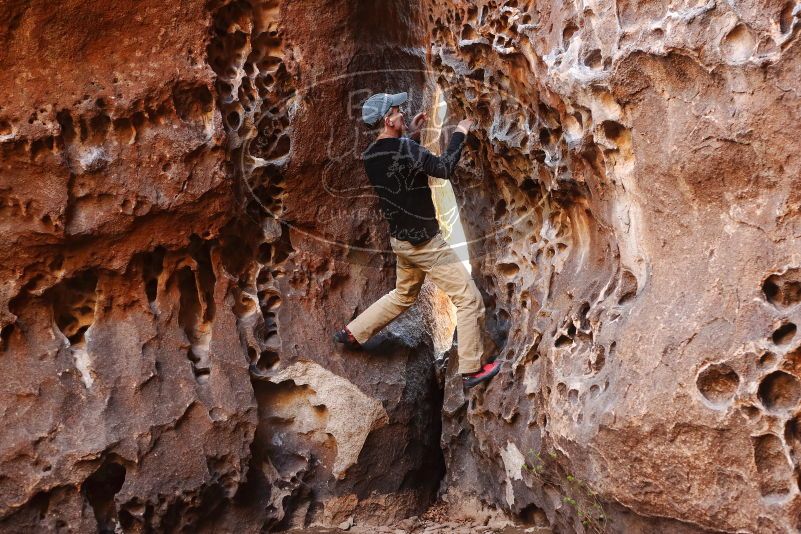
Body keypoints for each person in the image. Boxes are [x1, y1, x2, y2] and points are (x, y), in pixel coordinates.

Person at [334, 91, 501, 389]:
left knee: (403, 295)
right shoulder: (406, 148)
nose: (401, 113)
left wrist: (409, 132)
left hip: (401, 243)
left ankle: (353, 332)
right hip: (426, 245)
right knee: (469, 300)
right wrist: (461, 132)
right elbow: (444, 168)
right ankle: (471, 370)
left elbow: (398, 161)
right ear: (389, 119)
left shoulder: (371, 156)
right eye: (398, 111)